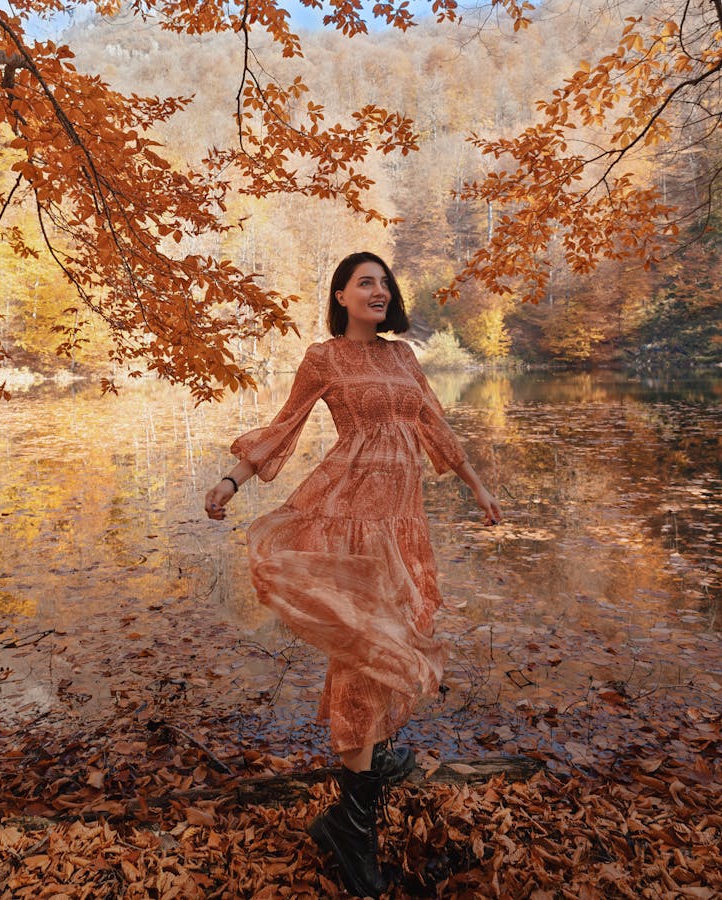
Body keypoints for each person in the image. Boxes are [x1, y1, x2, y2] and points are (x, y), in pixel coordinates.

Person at [205, 251, 501, 898]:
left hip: (402, 518)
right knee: (362, 648)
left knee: (393, 630)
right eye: (365, 281)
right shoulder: (325, 357)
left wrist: (478, 487)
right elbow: (285, 427)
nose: (379, 289)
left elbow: (433, 425)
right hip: (350, 509)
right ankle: (353, 823)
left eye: (384, 282)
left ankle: (361, 776)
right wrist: (231, 480)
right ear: (340, 294)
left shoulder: (402, 357)